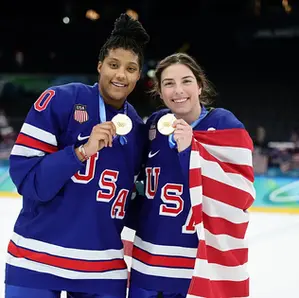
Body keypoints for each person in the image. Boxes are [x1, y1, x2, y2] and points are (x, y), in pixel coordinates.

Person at [5, 13, 149, 298]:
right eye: (113, 65)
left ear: (138, 76)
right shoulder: (61, 100)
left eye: (130, 68)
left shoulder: (138, 129)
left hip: (102, 271)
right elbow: (28, 180)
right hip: (36, 261)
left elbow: (130, 204)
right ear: (99, 67)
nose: (121, 74)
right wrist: (81, 152)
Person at [127, 53, 255, 298]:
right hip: (147, 261)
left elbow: (241, 194)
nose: (178, 91)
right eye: (168, 83)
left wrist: (191, 151)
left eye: (186, 81)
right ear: (160, 92)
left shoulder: (224, 124)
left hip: (195, 265)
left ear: (199, 85)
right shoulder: (155, 124)